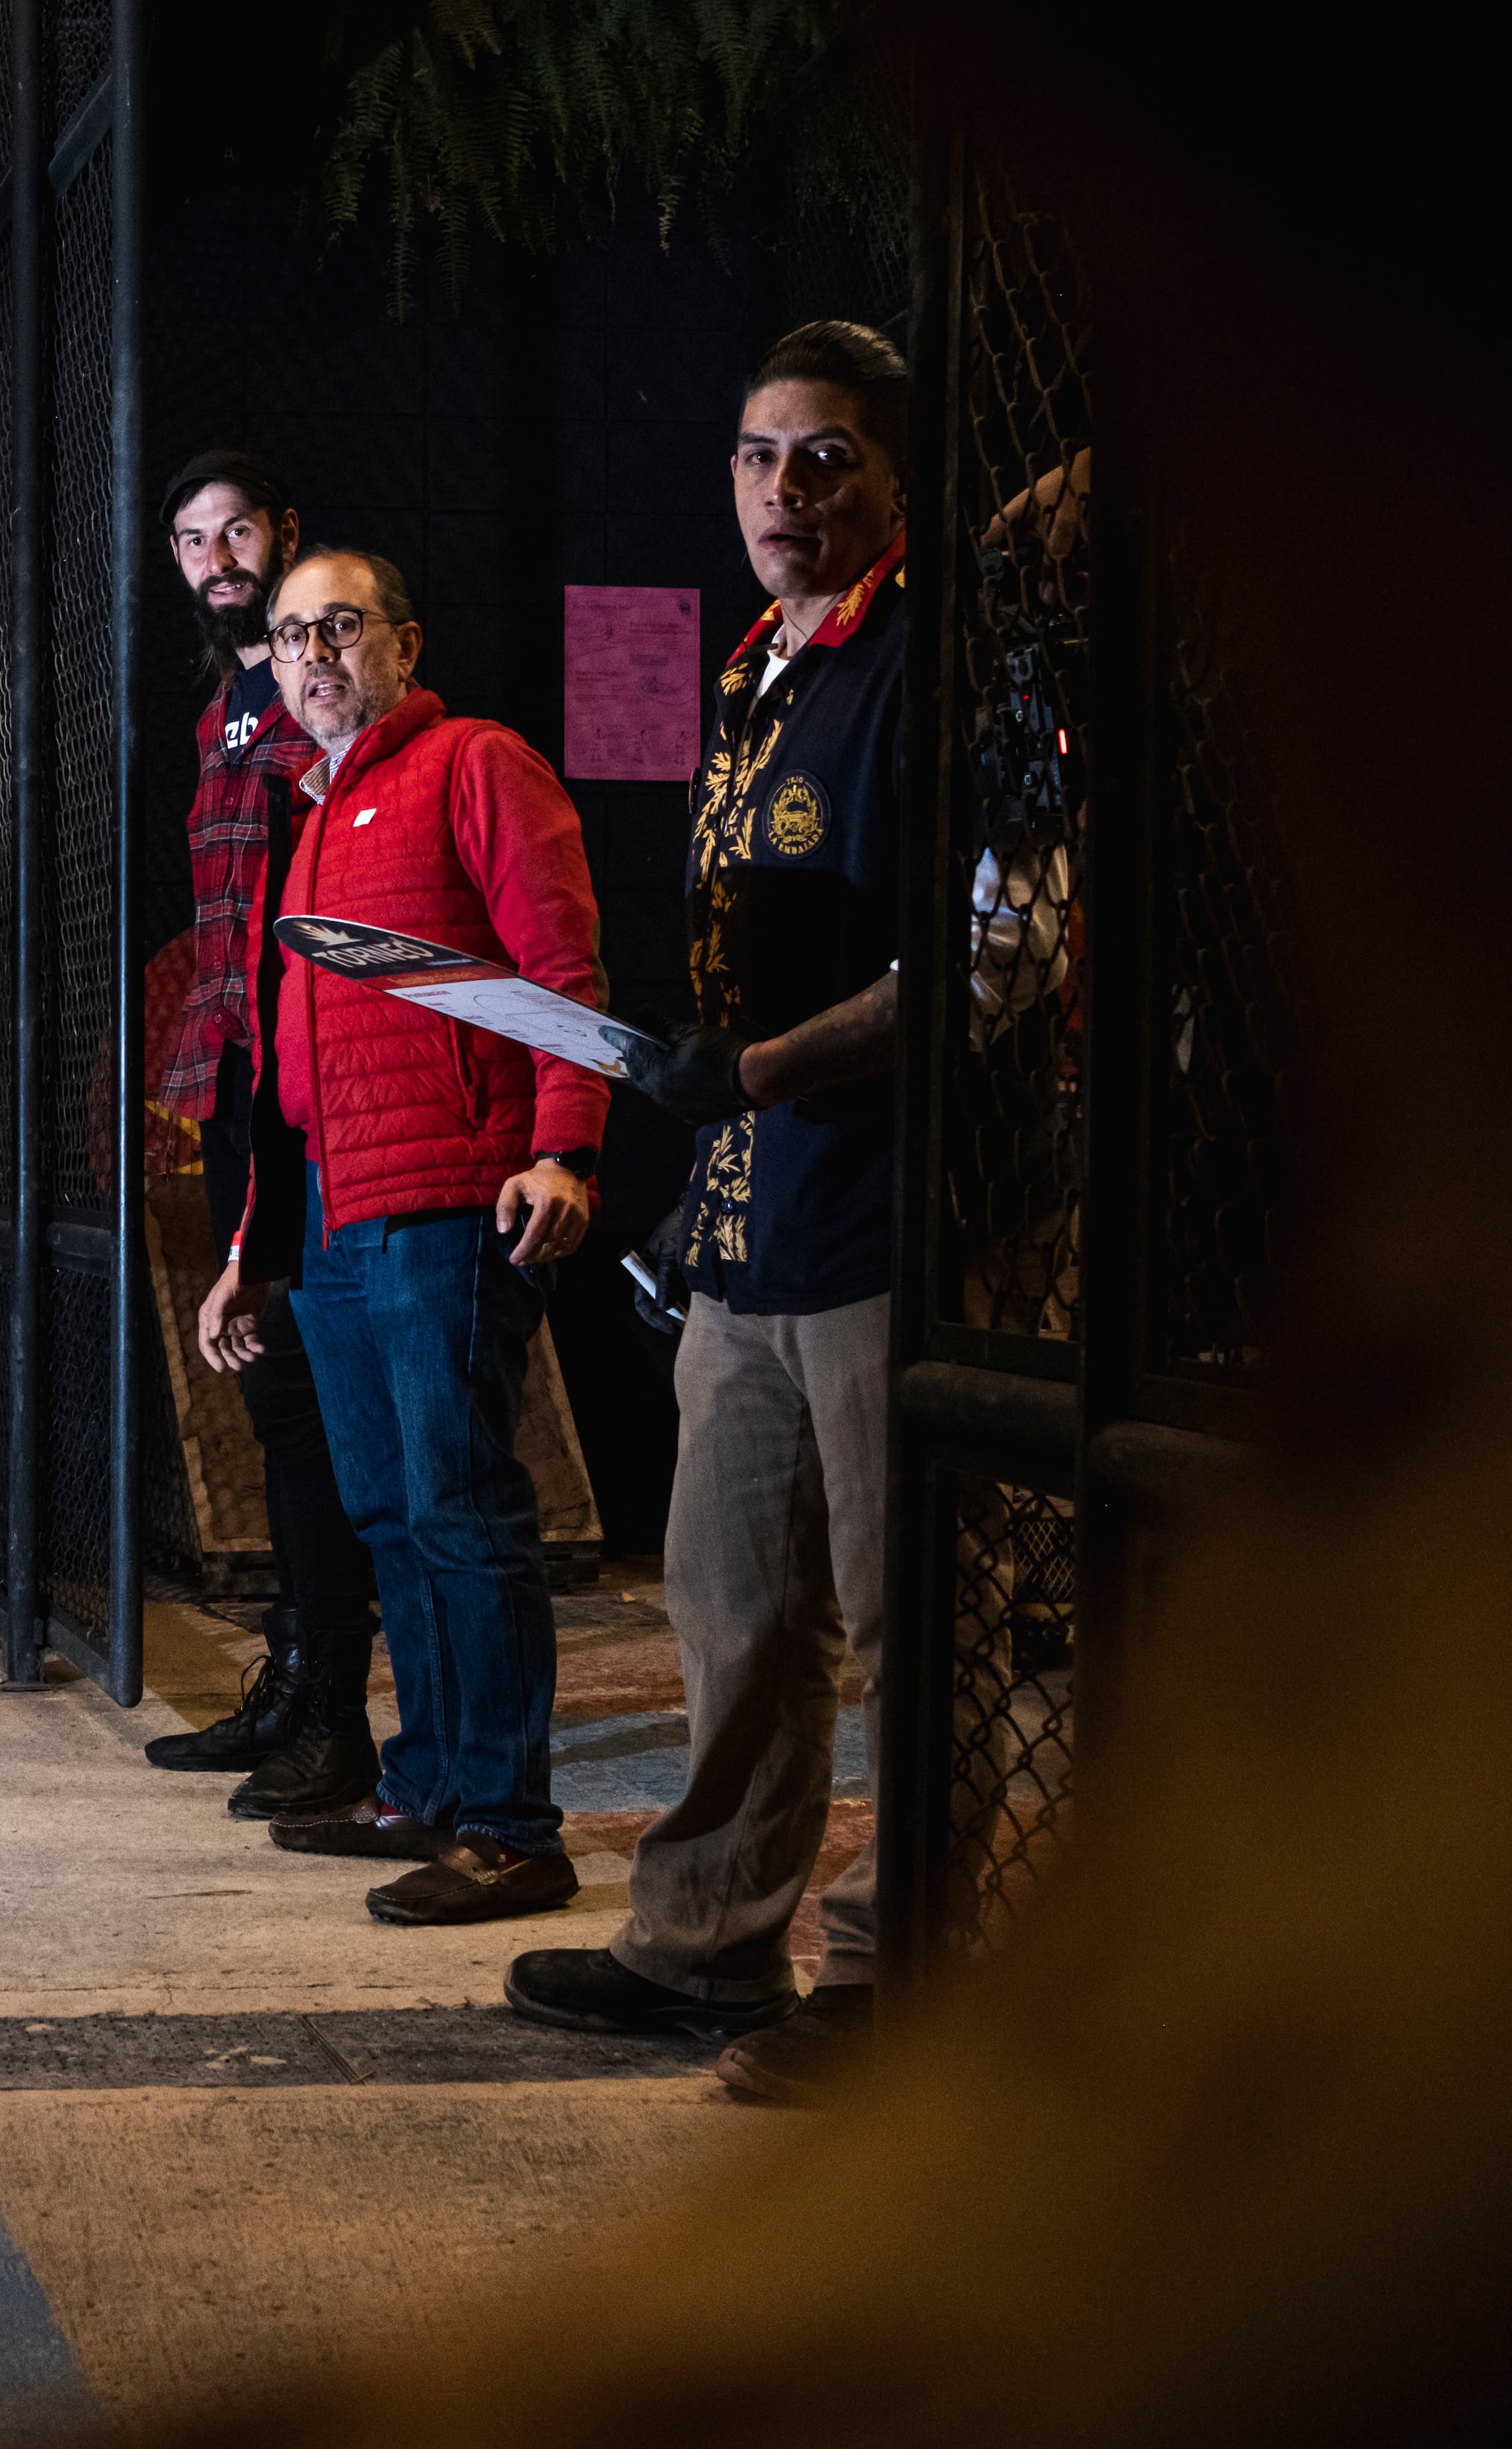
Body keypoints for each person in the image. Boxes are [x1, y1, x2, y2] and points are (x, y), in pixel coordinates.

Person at [503, 321, 921, 2101]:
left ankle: (903, 1975)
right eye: (757, 455)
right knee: (732, 1603)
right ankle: (702, 1942)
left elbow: (990, 952)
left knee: (907, 1618)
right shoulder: (758, 664)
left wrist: (754, 1070)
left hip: (889, 1224)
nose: (781, 489)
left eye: (824, 457)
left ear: (892, 476)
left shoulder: (922, 664)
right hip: (748, 1223)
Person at [192, 547, 609, 1927]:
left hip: (449, 1199)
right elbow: (286, 1067)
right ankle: (427, 1788)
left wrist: (565, 1149)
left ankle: (511, 1827)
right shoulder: (310, 811)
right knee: (385, 1510)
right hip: (335, 1212)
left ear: (405, 644)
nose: (313, 656)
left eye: (341, 628)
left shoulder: (476, 763)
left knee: (458, 1507)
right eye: (291, 635)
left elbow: (561, 969)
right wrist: (255, 1243)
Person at [140, 450, 382, 1819]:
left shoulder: (317, 693)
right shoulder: (224, 709)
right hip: (239, 1071)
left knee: (318, 1391)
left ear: (285, 534)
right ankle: (298, 1681)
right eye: (194, 540)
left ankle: (336, 1706)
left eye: (237, 532)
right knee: (282, 1397)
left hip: (314, 1080)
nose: (218, 559)